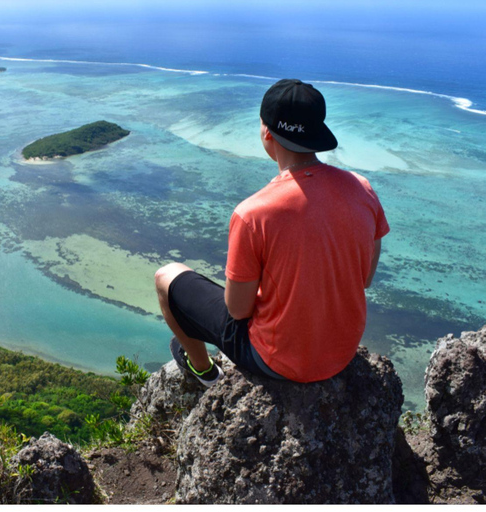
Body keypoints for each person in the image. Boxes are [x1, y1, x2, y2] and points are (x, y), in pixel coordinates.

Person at [155, 78, 390, 386]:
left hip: (278, 361)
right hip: (341, 352)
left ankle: (203, 370)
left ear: (266, 132)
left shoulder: (254, 213)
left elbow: (238, 311)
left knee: (166, 276)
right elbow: (365, 279)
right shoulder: (362, 189)